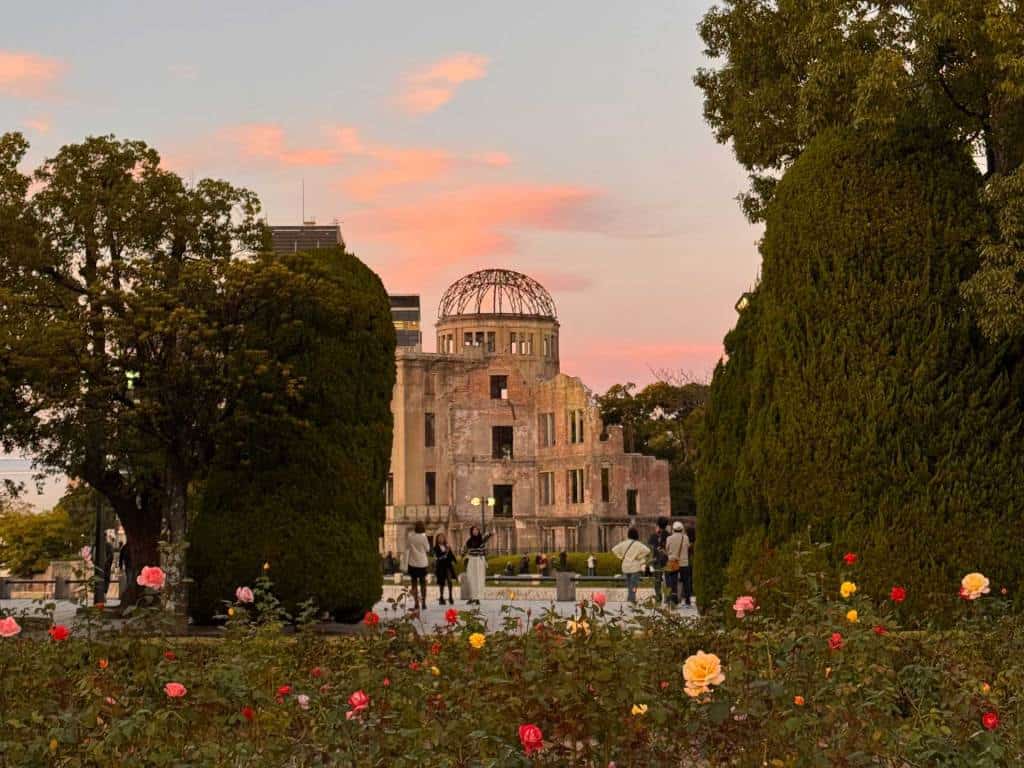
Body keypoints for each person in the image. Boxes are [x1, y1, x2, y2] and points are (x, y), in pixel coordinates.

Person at [611, 528, 651, 604]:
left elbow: (614, 550)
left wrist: (621, 557)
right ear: (636, 535)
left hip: (625, 567)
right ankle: (632, 600)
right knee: (634, 585)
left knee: (629, 585)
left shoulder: (623, 543)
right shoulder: (638, 544)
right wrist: (638, 556)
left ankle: (630, 599)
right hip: (635, 567)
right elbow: (648, 551)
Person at [404, 522, 431, 610]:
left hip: (413, 563)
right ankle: (423, 603)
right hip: (422, 563)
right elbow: (428, 549)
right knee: (423, 583)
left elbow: (407, 548)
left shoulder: (410, 537)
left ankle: (416, 603)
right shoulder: (424, 538)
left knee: (414, 583)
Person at [664, 521, 691, 607]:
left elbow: (667, 549)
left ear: (673, 529)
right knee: (686, 582)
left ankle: (674, 601)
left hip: (672, 562)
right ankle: (687, 601)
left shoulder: (669, 538)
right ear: (682, 529)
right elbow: (688, 547)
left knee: (673, 582)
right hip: (684, 562)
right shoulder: (686, 538)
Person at [463, 526, 492, 604]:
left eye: (477, 530)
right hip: (472, 560)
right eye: (474, 530)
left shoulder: (482, 539)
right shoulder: (469, 541)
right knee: (471, 579)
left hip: (479, 560)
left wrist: (490, 533)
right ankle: (472, 597)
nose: (475, 531)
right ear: (471, 531)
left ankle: (477, 598)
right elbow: (464, 550)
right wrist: (464, 556)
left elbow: (488, 535)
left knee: (479, 579)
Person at [647, 517, 669, 604]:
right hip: (666, 560)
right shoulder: (669, 535)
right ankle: (667, 598)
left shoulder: (654, 536)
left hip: (657, 561)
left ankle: (658, 598)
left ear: (657, 525)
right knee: (667, 580)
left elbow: (650, 548)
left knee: (657, 580)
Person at [432, 533, 457, 605]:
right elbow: (437, 557)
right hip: (440, 566)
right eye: (439, 538)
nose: (441, 539)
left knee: (449, 581)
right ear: (437, 539)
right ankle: (441, 597)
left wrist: (455, 561)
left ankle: (450, 596)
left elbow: (451, 555)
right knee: (441, 582)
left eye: (442, 538)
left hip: (448, 566)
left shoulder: (447, 546)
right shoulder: (435, 548)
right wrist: (445, 553)